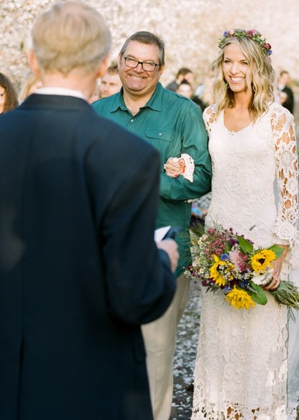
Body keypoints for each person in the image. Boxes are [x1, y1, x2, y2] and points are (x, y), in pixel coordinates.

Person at [0, 2, 178, 419]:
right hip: (101, 389)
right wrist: (162, 259)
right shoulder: (128, 155)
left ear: (32, 59)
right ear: (106, 63)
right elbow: (137, 298)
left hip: (10, 386)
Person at [175, 28, 299, 419]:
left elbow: (289, 193)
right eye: (229, 61)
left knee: (261, 341)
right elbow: (203, 171)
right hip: (219, 237)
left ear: (258, 66)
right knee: (223, 337)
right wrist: (181, 167)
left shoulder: (278, 119)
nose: (235, 70)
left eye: (243, 62)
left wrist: (280, 252)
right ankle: (224, 411)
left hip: (264, 240)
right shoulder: (210, 115)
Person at [93, 31, 211, 420]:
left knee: (155, 357)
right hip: (103, 253)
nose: (138, 69)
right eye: (131, 60)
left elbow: (201, 178)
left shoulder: (183, 112)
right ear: (119, 61)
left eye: (148, 63)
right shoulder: (96, 113)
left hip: (163, 251)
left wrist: (144, 180)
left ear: (161, 69)